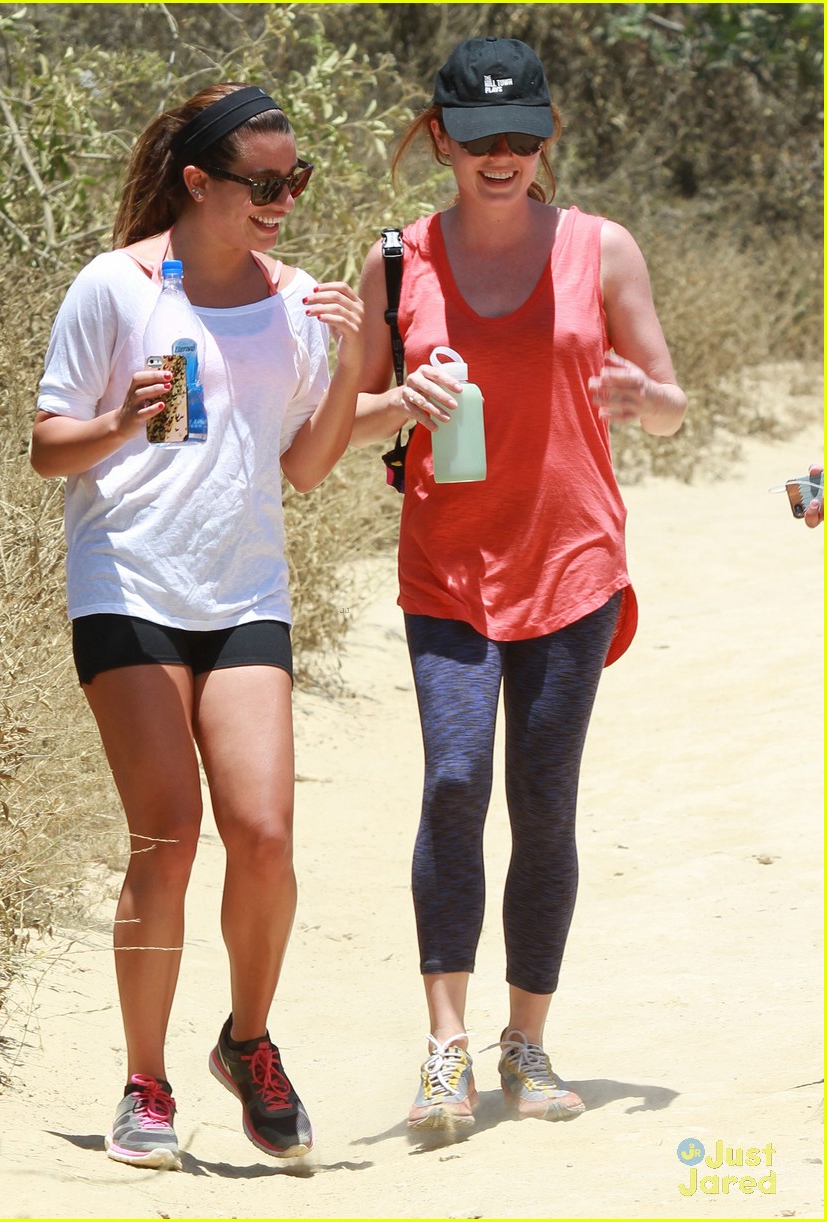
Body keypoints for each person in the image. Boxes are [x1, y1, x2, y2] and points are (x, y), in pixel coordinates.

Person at [352, 37, 687, 1134]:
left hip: (571, 562)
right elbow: (341, 424)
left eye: (522, 136)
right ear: (437, 136)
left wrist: (641, 394)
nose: (502, 156)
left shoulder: (603, 249)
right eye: (479, 137)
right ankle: (444, 1044)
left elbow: (669, 405)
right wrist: (395, 400)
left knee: (542, 805)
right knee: (452, 778)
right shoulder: (395, 262)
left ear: (546, 137)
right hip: (445, 565)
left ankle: (525, 1042)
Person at [30, 83, 363, 1169]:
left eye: (295, 181)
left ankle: (246, 1040)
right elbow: (47, 448)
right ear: (197, 182)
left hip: (244, 592)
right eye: (263, 184)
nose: (283, 201)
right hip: (126, 579)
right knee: (167, 836)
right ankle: (144, 1082)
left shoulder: (298, 301)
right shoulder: (116, 288)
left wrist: (356, 361)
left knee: (263, 835)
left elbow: (304, 469)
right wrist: (119, 419)